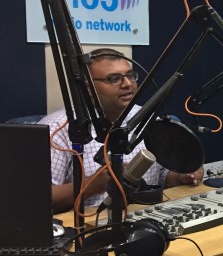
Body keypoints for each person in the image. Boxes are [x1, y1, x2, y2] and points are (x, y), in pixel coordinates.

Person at [39, 48, 204, 214]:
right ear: (88, 87)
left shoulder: (148, 118)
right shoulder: (58, 129)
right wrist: (90, 185)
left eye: (130, 76)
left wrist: (183, 176)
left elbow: (163, 177)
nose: (127, 84)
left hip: (147, 217)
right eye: (114, 79)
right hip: (90, 222)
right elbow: (35, 199)